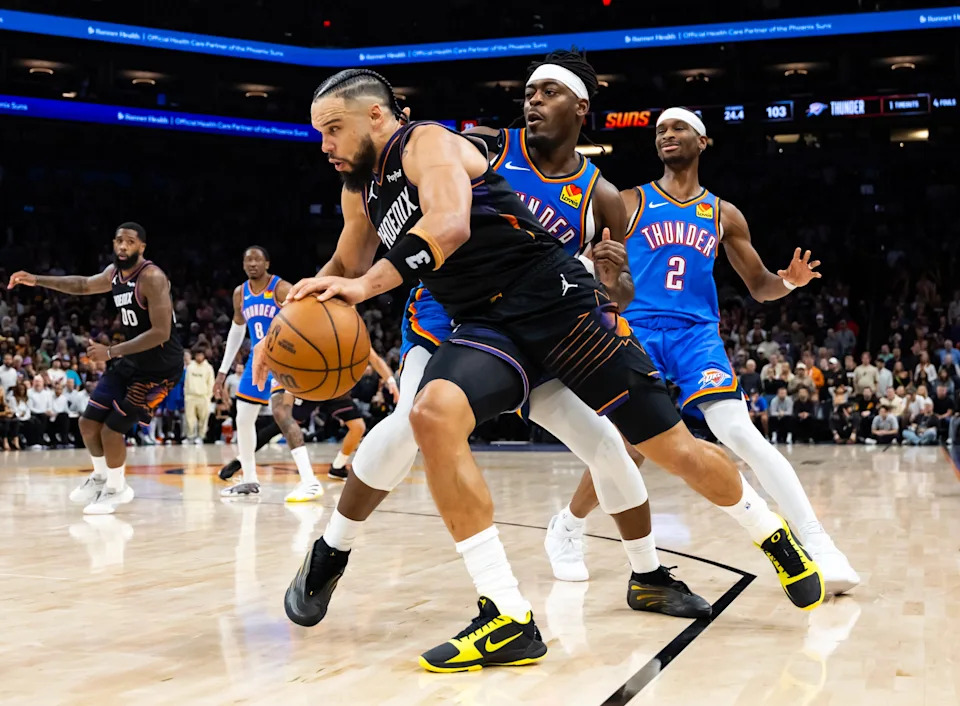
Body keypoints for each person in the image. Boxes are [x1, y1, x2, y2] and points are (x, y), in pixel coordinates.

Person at [270, 68, 823, 672]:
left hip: (557, 304)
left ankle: (768, 533)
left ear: (376, 115)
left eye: (333, 128)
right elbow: (347, 262)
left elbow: (450, 224)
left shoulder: (425, 142)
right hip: (484, 323)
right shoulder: (364, 187)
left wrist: (365, 285)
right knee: (429, 414)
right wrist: (300, 307)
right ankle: (506, 614)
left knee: (670, 449)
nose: (324, 144)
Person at [559, 106, 858, 593]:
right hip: (638, 329)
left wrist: (788, 282)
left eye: (678, 128)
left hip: (697, 334)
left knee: (739, 433)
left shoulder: (723, 213)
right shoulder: (631, 200)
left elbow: (759, 285)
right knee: (627, 449)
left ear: (702, 141)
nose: (667, 134)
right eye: (661, 130)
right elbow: (593, 258)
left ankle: (819, 544)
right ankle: (568, 526)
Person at [7, 222, 184, 514]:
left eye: (130, 241)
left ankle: (117, 488)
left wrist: (110, 352)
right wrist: (36, 279)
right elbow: (82, 285)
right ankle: (101, 477)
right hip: (131, 361)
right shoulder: (114, 274)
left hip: (159, 370)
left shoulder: (152, 277)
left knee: (112, 431)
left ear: (142, 247)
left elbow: (161, 332)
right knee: (87, 424)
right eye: (118, 241)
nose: (123, 246)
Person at [213, 246, 376, 501]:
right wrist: (223, 371)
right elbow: (236, 331)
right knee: (243, 419)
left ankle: (309, 481)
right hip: (257, 361)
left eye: (257, 259)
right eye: (248, 260)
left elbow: (306, 314)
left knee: (281, 413)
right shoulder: (240, 293)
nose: (252, 264)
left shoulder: (281, 288)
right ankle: (249, 480)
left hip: (284, 359)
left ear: (267, 263)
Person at [219, 349, 399, 482]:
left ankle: (338, 467)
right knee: (280, 425)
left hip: (335, 390)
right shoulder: (322, 328)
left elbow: (375, 359)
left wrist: (391, 381)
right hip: (312, 385)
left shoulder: (354, 333)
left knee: (358, 427)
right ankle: (240, 461)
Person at [183, 348, 215, 444]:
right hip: (191, 396)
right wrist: (186, 395)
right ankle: (190, 436)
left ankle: (201, 436)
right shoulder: (190, 367)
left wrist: (209, 396)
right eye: (197, 355)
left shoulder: (208, 368)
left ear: (204, 356)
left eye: (201, 355)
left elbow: (211, 383)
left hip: (203, 396)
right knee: (189, 418)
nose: (199, 357)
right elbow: (186, 382)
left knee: (203, 418)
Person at [25, 374, 55, 448]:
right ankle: (38, 441)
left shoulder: (47, 393)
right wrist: (43, 411)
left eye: (39, 381)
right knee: (40, 418)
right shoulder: (29, 392)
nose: (37, 383)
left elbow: (50, 405)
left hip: (45, 413)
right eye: (36, 381)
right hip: (33, 413)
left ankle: (56, 442)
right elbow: (30, 407)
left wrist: (49, 411)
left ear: (43, 383)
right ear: (33, 382)